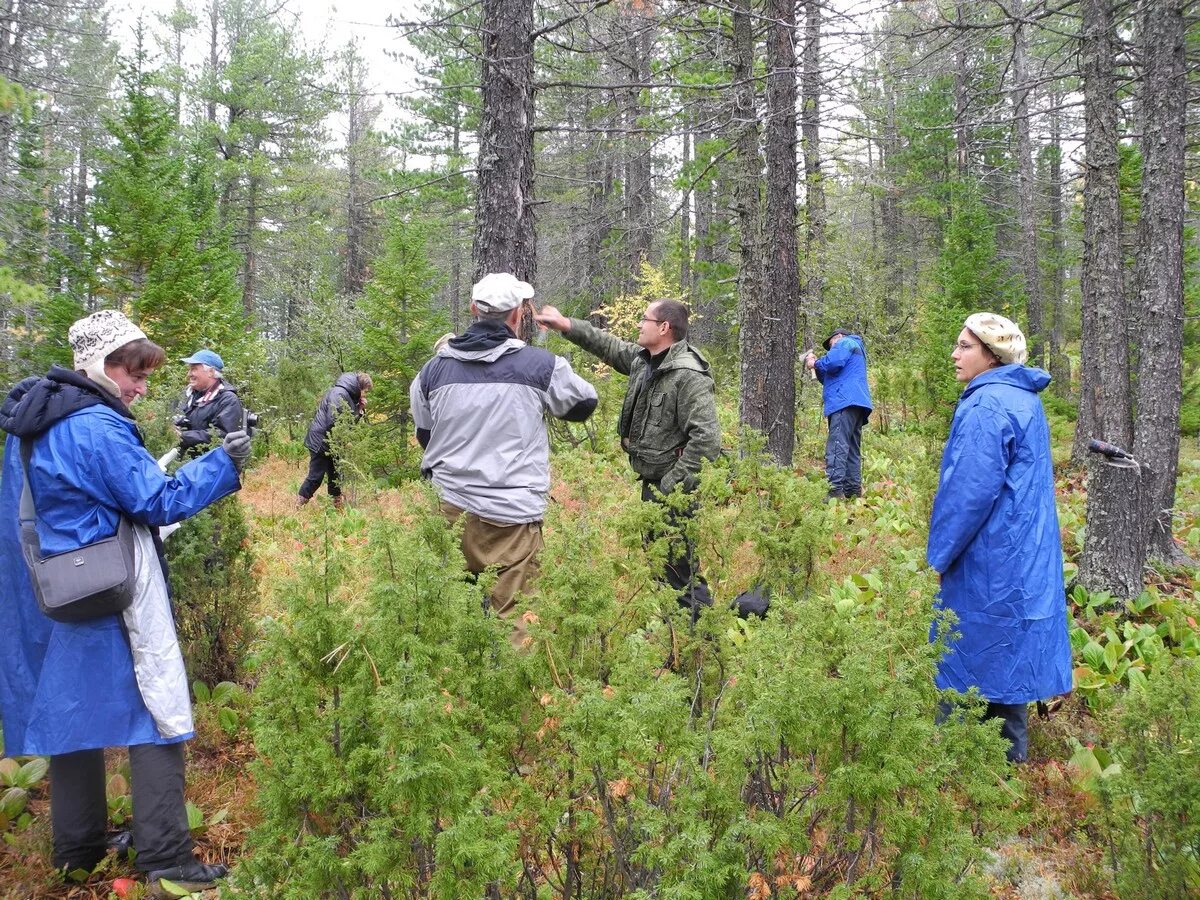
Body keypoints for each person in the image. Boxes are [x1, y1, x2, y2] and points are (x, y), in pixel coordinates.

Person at [0, 309, 251, 890]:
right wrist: (224, 462)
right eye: (133, 372)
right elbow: (156, 501)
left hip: (56, 586)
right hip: (115, 585)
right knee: (157, 707)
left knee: (71, 711)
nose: (141, 386)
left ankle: (78, 849)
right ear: (99, 366)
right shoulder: (96, 424)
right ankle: (166, 857)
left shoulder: (40, 419)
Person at [410, 273, 597, 643]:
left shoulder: (431, 372)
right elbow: (584, 402)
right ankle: (509, 697)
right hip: (511, 516)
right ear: (518, 315)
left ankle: (451, 692)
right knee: (512, 617)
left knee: (450, 608)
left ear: (473, 310)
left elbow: (425, 436)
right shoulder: (542, 366)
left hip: (449, 510)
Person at [926, 312, 1072, 764]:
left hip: (990, 554)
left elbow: (968, 494)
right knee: (1007, 653)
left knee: (967, 644)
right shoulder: (1021, 397)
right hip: (1020, 552)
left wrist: (940, 555)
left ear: (991, 356)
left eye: (964, 346)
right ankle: (1009, 765)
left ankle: (956, 766)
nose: (954, 354)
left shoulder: (988, 405)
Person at [535, 298, 721, 615]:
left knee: (679, 572)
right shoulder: (645, 360)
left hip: (672, 491)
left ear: (663, 327)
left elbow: (707, 439)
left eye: (644, 319)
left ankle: (698, 644)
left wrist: (669, 488)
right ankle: (678, 638)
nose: (638, 324)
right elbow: (608, 346)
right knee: (663, 568)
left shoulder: (687, 375)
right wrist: (567, 324)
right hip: (653, 484)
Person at [804, 328, 873, 500]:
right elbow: (829, 374)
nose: (831, 348)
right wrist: (817, 365)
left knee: (837, 445)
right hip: (857, 403)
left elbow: (834, 362)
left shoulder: (845, 342)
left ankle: (834, 491)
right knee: (851, 448)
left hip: (844, 400)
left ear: (838, 337)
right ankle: (852, 490)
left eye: (831, 344)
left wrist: (816, 363)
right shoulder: (855, 348)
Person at [297, 371, 372, 509]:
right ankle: (298, 506)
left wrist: (359, 409)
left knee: (336, 476)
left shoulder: (348, 395)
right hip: (321, 441)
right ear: (359, 387)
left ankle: (336, 508)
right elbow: (334, 421)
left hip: (332, 442)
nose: (365, 395)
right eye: (365, 391)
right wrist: (344, 440)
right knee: (315, 477)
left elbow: (347, 421)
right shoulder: (339, 393)